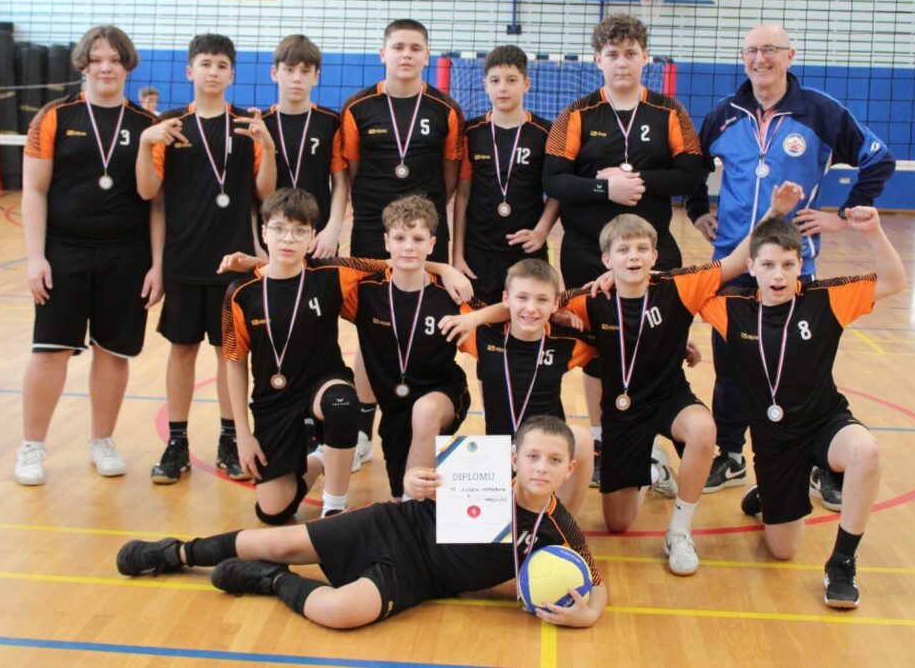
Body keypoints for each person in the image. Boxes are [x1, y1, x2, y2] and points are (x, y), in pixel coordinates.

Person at [116, 415, 607, 629]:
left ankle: (268, 581)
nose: (541, 468)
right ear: (515, 457)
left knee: (339, 612)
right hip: (396, 525)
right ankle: (176, 552)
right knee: (281, 542)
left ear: (570, 470)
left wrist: (589, 614)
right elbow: (417, 482)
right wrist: (414, 481)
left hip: (420, 577)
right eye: (533, 456)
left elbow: (597, 582)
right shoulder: (480, 466)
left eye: (554, 461)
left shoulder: (558, 528)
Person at [687, 23, 896, 501]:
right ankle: (730, 454)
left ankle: (819, 459)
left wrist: (842, 216)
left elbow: (879, 160)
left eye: (770, 50)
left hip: (791, 267)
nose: (760, 59)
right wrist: (698, 210)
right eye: (752, 50)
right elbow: (692, 168)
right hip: (734, 266)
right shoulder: (724, 114)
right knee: (731, 369)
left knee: (802, 372)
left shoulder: (821, 112)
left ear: (790, 56)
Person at [553, 183, 803, 574]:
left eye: (642, 249)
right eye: (623, 250)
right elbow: (535, 305)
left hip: (670, 399)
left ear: (655, 256)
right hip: (623, 413)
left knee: (703, 430)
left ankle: (680, 531)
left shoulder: (678, 286)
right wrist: (559, 314)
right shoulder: (589, 299)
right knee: (618, 524)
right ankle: (653, 467)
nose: (633, 257)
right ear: (606, 259)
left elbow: (737, 261)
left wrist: (773, 213)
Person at [700, 208, 905, 608]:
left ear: (800, 265)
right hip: (775, 442)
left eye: (788, 265)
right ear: (751, 267)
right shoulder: (731, 308)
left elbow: (894, 281)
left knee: (866, 451)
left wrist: (875, 232)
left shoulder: (826, 299)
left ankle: (842, 563)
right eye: (768, 265)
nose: (778, 275)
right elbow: (674, 291)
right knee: (783, 550)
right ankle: (771, 489)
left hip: (825, 423)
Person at [543, 13, 702, 484]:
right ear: (598, 60)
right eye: (612, 54)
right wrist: (602, 187)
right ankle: (600, 440)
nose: (622, 62)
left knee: (652, 346)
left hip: (651, 255)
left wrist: (636, 181)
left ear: (645, 57)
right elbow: (553, 180)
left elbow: (691, 175)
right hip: (586, 252)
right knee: (596, 347)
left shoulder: (670, 111)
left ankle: (648, 443)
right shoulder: (576, 114)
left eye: (631, 53)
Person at [15, 25, 160, 485]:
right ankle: (32, 446)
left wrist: (158, 265)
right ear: (83, 65)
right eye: (97, 59)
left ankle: (103, 440)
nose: (105, 67)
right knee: (49, 350)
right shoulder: (54, 117)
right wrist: (35, 257)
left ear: (127, 66)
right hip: (64, 252)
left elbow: (158, 202)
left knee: (113, 352)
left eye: (114, 60)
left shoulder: (145, 123)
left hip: (127, 254)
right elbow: (34, 190)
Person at [135, 33, 277, 485]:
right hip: (183, 260)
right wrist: (144, 144)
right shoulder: (169, 125)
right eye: (205, 64)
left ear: (232, 74)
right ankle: (176, 443)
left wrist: (270, 147)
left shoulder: (246, 126)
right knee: (181, 350)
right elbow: (148, 192)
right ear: (189, 71)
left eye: (221, 65)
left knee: (228, 354)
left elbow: (266, 193)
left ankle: (229, 439)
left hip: (233, 262)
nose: (213, 71)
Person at [341, 19, 466, 455]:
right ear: (383, 53)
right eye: (398, 47)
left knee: (427, 327)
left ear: (427, 55)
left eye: (415, 47)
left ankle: (423, 419)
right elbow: (352, 172)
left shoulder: (445, 109)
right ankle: (361, 430)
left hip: (425, 235)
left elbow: (450, 177)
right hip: (372, 234)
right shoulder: (358, 107)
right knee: (371, 330)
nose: (406, 54)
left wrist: (419, 226)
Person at [221, 189, 382, 520]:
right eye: (279, 229)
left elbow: (396, 263)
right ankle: (322, 457)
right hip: (274, 400)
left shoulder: (332, 273)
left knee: (341, 403)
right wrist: (243, 435)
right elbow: (234, 364)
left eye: (299, 231)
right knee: (273, 513)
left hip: (323, 384)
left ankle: (334, 506)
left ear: (312, 238)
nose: (288, 238)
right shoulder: (240, 293)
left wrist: (446, 269)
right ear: (264, 232)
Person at [343, 196, 475, 500]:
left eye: (417, 239)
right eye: (400, 238)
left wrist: (474, 316)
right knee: (400, 490)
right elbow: (306, 269)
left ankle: (410, 514)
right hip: (395, 412)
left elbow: (507, 316)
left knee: (424, 413)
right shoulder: (364, 291)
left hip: (441, 397)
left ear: (431, 244)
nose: (408, 247)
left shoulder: (450, 295)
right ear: (386, 242)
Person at [441, 258, 594, 513]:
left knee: (582, 438)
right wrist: (443, 267)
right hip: (499, 456)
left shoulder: (567, 342)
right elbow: (412, 267)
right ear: (506, 298)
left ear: (555, 304)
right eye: (522, 297)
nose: (531, 309)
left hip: (544, 457)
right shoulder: (482, 333)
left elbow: (617, 337)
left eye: (542, 300)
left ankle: (558, 524)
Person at [453, 45, 559, 304]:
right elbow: (463, 195)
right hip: (479, 251)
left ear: (526, 84)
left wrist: (541, 232)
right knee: (478, 323)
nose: (502, 88)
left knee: (527, 317)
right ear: (485, 85)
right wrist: (457, 254)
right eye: (495, 81)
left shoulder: (546, 132)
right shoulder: (472, 132)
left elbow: (557, 191)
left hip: (527, 251)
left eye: (511, 80)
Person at [263, 35, 350, 260]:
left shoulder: (330, 122)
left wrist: (333, 229)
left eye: (305, 71)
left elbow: (341, 183)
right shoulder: (261, 124)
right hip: (274, 235)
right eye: (289, 70)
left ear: (316, 77)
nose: (297, 78)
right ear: (274, 73)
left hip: (318, 236)